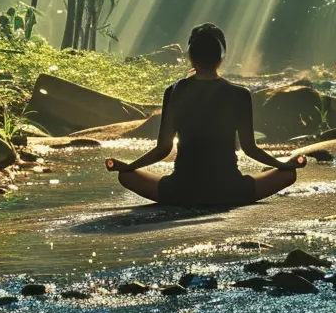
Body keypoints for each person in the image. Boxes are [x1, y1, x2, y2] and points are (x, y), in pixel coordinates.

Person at [106, 23, 306, 206]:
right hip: (230, 191)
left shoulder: (174, 91)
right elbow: (250, 149)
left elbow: (163, 149)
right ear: (222, 57)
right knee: (288, 175)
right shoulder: (240, 94)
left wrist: (129, 166)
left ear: (191, 57)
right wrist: (282, 164)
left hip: (181, 191)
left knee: (126, 176)